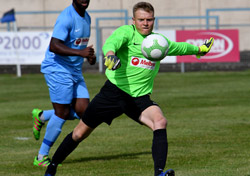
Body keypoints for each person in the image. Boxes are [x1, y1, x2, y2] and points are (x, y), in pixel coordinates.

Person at [44, 1, 214, 176]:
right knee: (79, 134)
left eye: (149, 19)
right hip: (113, 94)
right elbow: (111, 43)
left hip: (139, 98)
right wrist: (110, 56)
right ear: (133, 20)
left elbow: (179, 47)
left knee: (160, 122)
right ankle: (52, 166)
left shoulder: (157, 42)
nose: (145, 23)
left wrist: (199, 49)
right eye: (141, 19)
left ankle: (159, 173)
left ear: (154, 20)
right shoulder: (126, 32)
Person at [32, 0, 96, 167]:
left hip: (74, 71)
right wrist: (81, 52)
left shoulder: (87, 17)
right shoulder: (66, 17)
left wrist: (88, 55)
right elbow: (54, 45)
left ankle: (43, 116)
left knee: (85, 112)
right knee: (61, 113)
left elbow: (77, 45)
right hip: (57, 68)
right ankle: (41, 156)